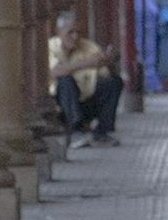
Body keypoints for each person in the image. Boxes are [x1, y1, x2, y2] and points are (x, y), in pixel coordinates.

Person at [47, 10, 123, 147]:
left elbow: (104, 74)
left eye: (78, 32)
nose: (75, 37)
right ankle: (75, 131)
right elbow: (54, 72)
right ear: (58, 32)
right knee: (65, 80)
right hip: (60, 106)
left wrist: (107, 62)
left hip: (84, 102)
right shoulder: (51, 47)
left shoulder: (88, 47)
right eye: (70, 32)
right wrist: (86, 64)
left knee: (114, 82)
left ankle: (102, 132)